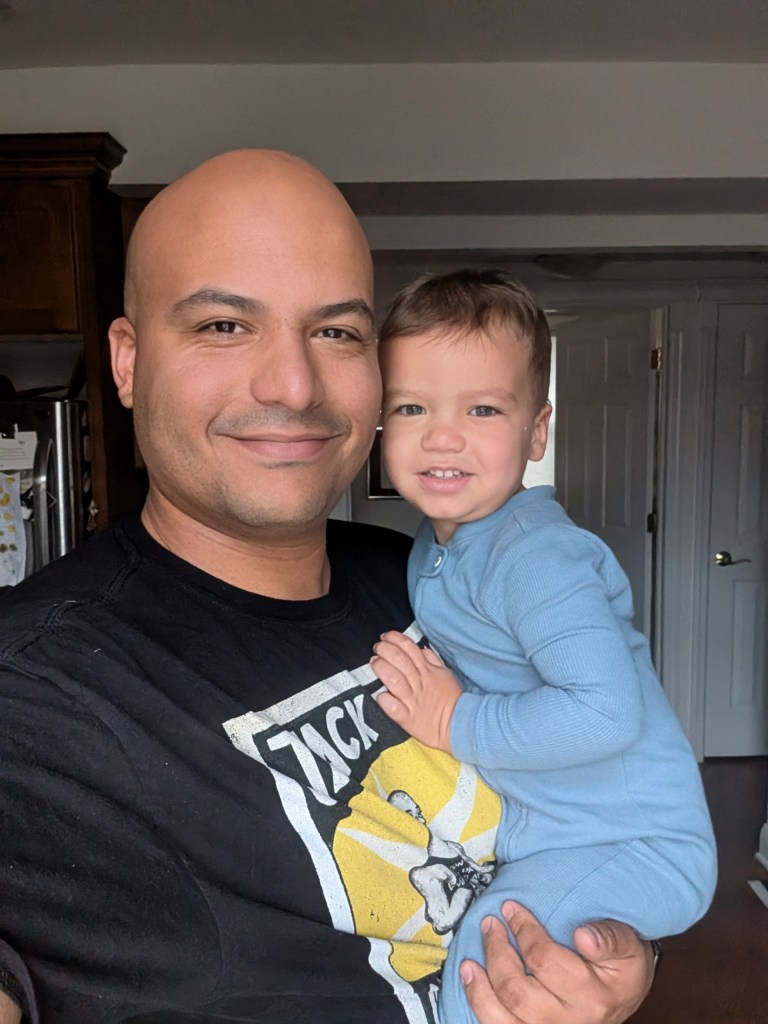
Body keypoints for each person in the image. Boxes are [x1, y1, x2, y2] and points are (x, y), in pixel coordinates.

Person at [0, 152, 657, 1024]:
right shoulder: (32, 694)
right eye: (224, 325)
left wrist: (614, 954)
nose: (294, 385)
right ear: (126, 361)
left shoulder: (428, 578)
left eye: (338, 333)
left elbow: (600, 800)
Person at [369, 269, 717, 1024]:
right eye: (411, 406)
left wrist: (452, 719)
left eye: (483, 408)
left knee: (486, 956)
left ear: (537, 431)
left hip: (636, 841)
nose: (443, 434)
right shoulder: (434, 546)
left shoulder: (535, 555)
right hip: (559, 833)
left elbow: (603, 713)